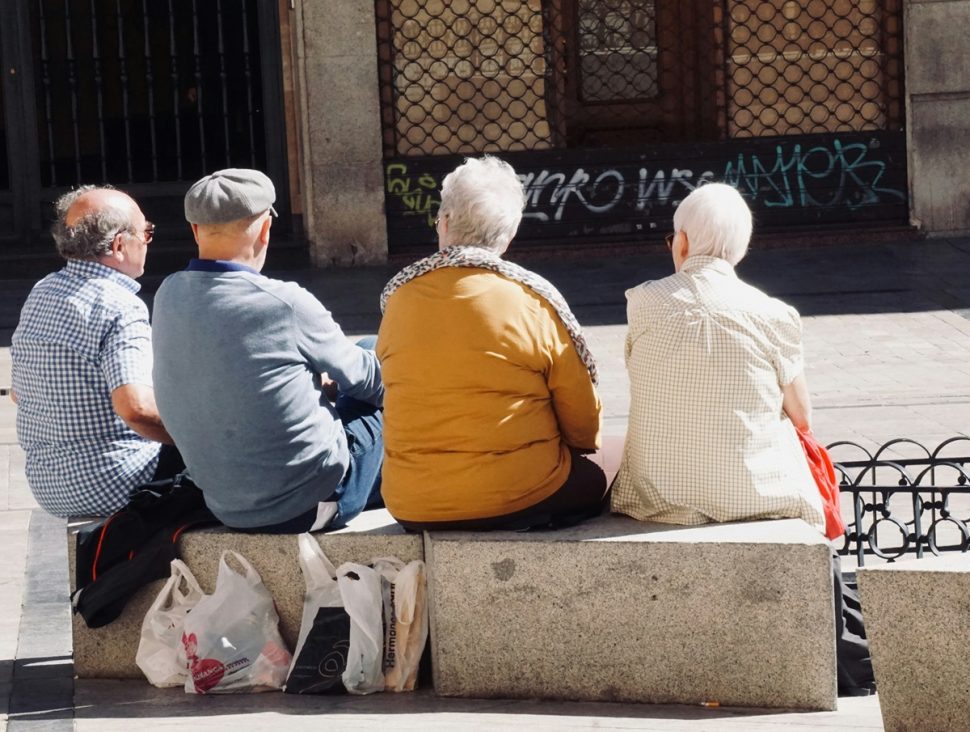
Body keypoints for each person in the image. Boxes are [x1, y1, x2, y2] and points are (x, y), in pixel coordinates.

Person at [612, 182, 873, 696]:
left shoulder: (642, 302)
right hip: (759, 496)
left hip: (656, 495)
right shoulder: (773, 313)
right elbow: (802, 415)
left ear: (680, 243)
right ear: (741, 249)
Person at [378, 156, 606, 531]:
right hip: (521, 494)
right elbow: (583, 423)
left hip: (412, 503)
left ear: (445, 223)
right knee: (600, 471)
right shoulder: (533, 300)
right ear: (508, 235)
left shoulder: (397, 298)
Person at [151, 168, 383, 533]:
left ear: (195, 230)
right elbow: (373, 384)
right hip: (312, 501)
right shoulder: (285, 303)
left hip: (225, 506)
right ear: (265, 228)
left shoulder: (168, 295)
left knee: (360, 358)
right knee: (377, 358)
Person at [11, 186, 182, 518]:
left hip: (49, 487)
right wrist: (202, 438)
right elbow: (135, 409)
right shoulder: (120, 306)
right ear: (119, 244)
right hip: (115, 482)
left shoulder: (42, 292)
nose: (148, 242)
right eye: (146, 233)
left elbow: (19, 393)